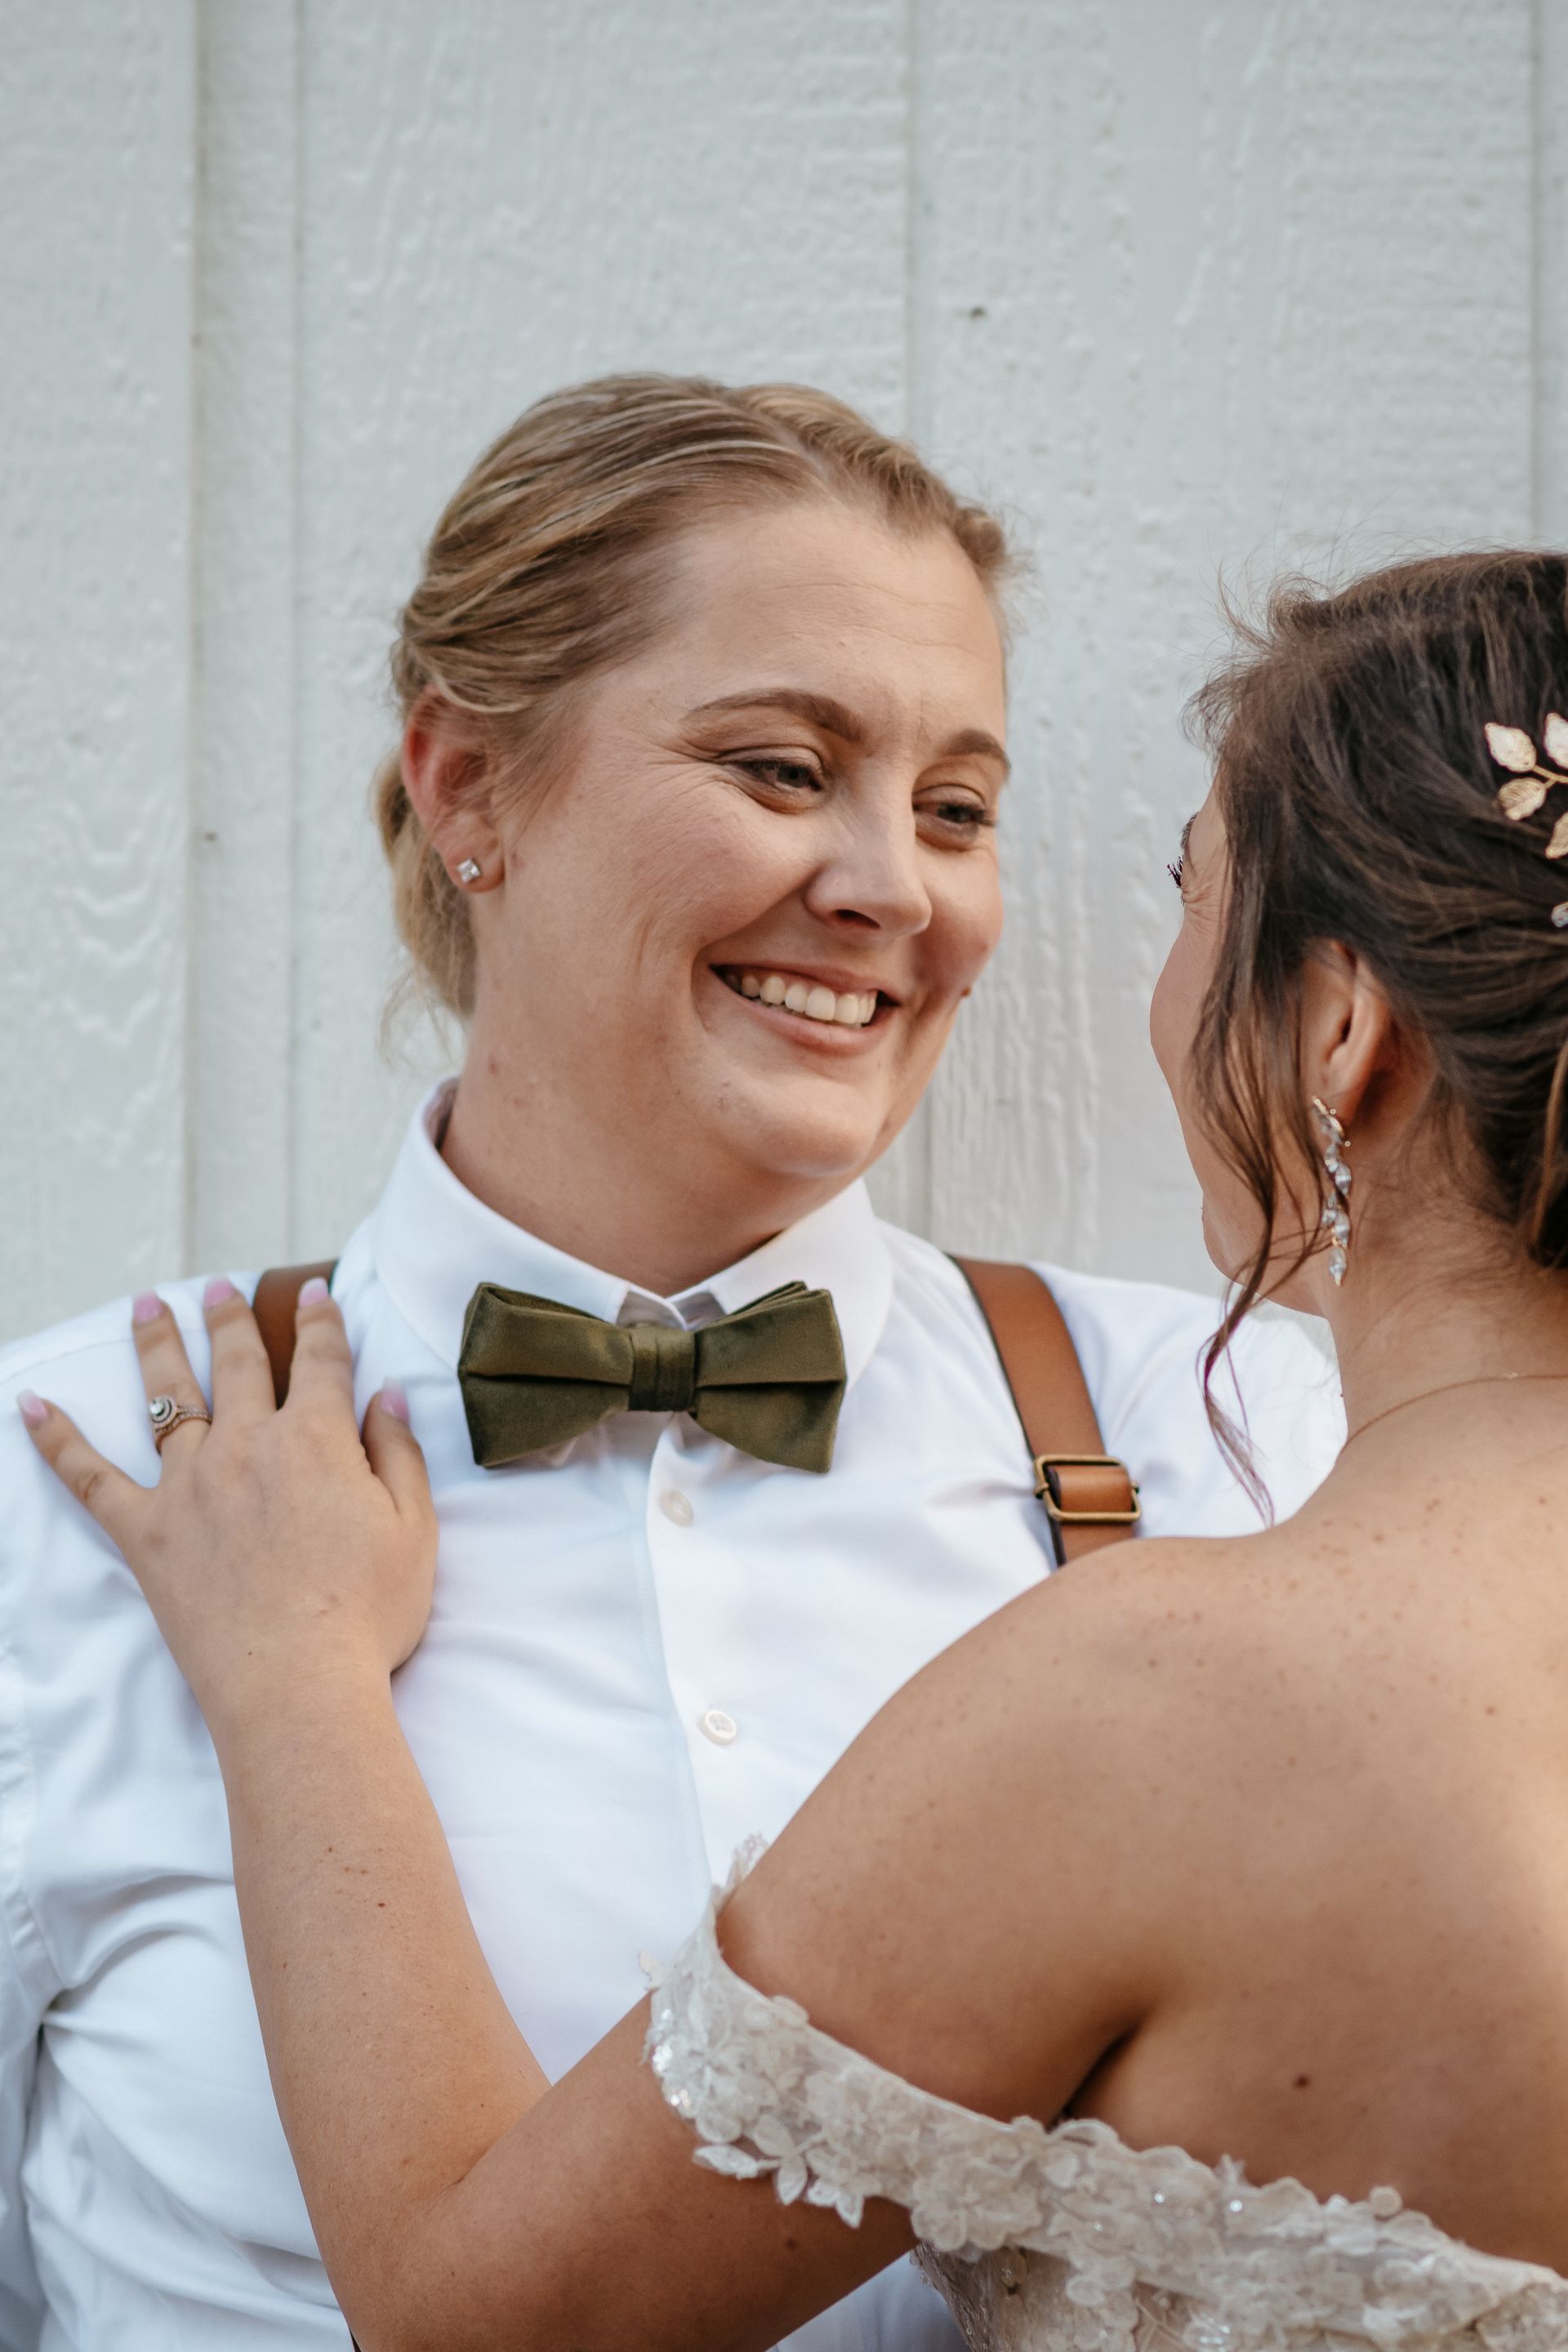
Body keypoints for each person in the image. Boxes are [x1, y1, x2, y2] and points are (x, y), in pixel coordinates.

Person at [0, 375, 1336, 2352]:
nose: (896, 885)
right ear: (470, 792)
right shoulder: (63, 1478)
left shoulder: (1242, 1440)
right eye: (788, 769)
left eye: (957, 807)